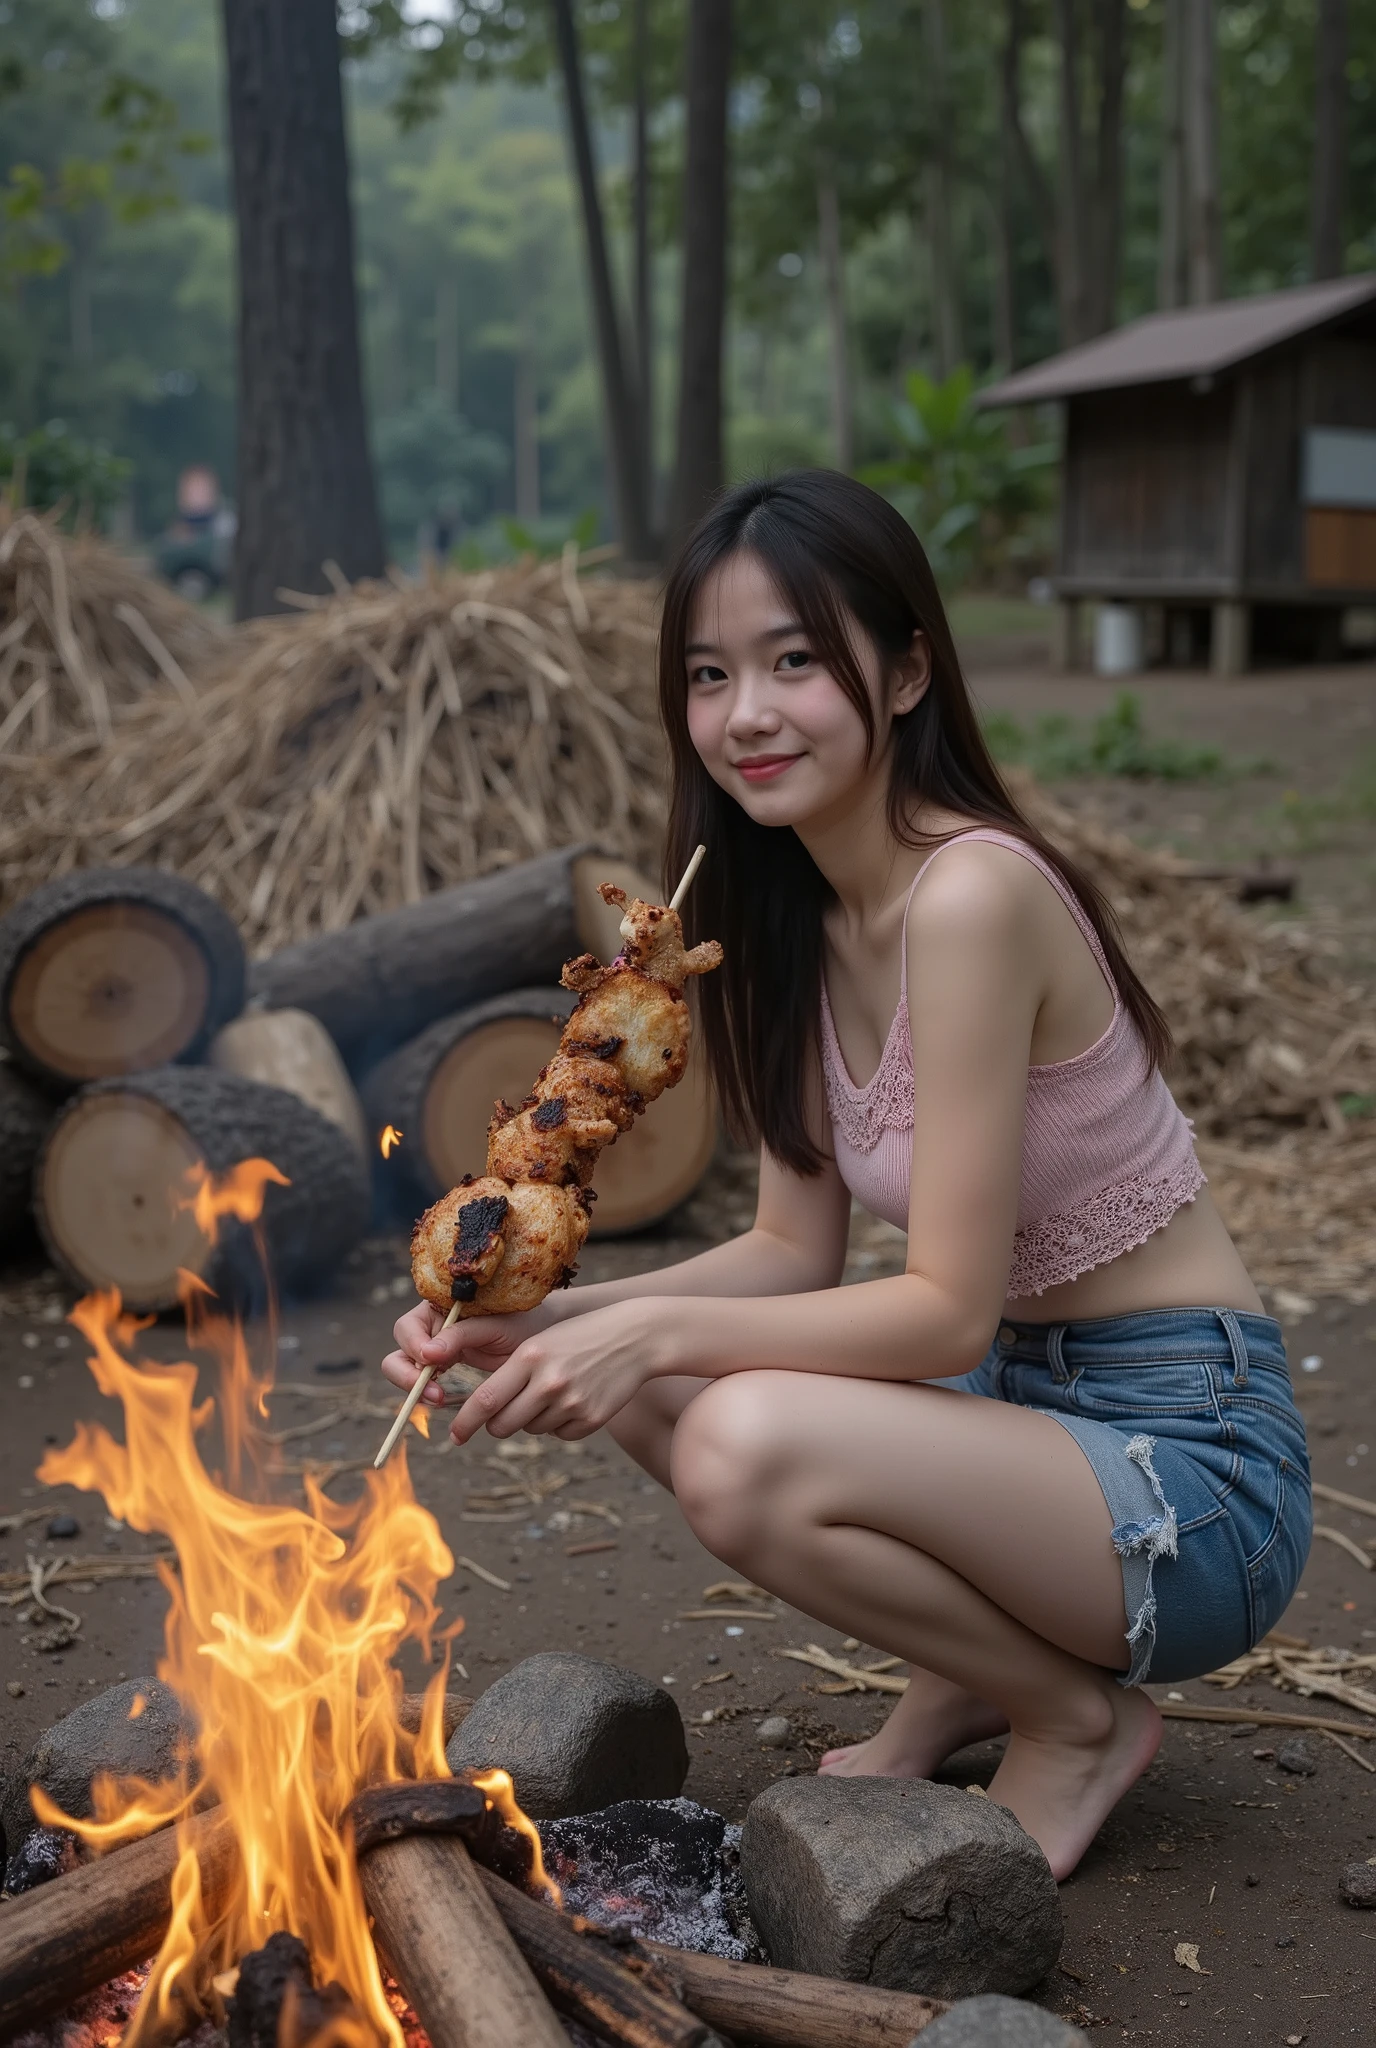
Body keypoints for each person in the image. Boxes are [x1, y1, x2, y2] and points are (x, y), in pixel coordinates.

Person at [382, 471, 1310, 1879]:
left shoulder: (973, 895)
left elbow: (943, 1314)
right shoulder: (787, 923)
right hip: (1018, 1426)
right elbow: (783, 1257)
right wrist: (545, 1324)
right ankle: (971, 1675)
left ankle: (1069, 1717)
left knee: (737, 1440)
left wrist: (642, 1332)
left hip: (1188, 1468)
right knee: (671, 1391)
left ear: (908, 668)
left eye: (793, 660)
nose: (745, 712)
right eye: (709, 674)